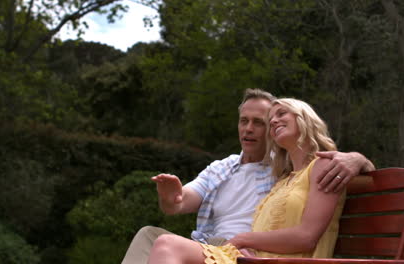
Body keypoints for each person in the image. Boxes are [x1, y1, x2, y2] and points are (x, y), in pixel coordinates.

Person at [121, 89, 375, 264]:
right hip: (226, 246)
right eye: (244, 121)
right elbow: (177, 203)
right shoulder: (228, 168)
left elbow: (360, 176)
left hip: (248, 249)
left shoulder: (285, 168)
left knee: (168, 246)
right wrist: (171, 197)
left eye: (260, 121)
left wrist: (358, 158)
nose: (250, 128)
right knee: (150, 236)